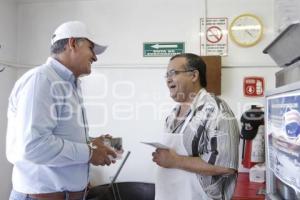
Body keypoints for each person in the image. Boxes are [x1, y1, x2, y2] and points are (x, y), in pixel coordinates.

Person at [6, 21, 118, 200]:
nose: (95, 58)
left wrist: (90, 142)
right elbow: (34, 146)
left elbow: (56, 136)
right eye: (91, 49)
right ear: (72, 43)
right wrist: (89, 153)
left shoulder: (68, 84)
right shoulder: (42, 80)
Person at [152, 53, 240, 200]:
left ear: (194, 75)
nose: (168, 79)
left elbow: (225, 165)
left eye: (173, 73)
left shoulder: (216, 110)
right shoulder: (173, 114)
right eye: (166, 75)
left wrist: (174, 161)